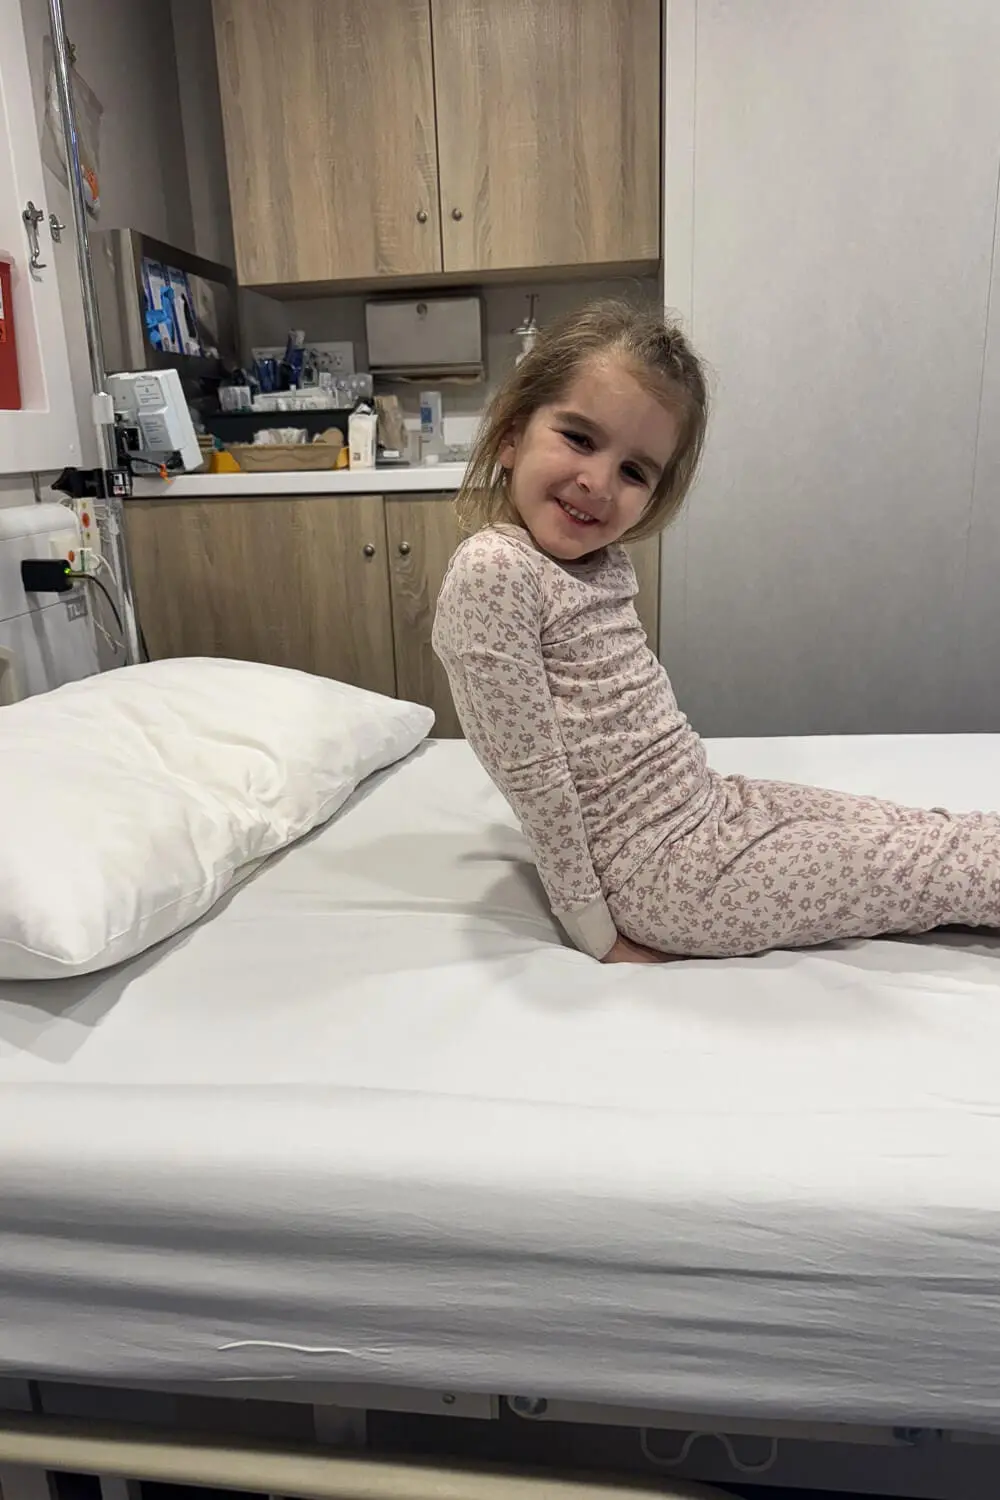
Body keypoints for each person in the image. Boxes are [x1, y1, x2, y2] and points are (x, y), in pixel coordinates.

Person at [432, 300, 1000, 964]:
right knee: (927, 870)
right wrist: (596, 934)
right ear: (511, 435)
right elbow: (531, 774)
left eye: (635, 470)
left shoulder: (598, 563)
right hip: (667, 880)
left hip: (707, 808)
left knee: (910, 829)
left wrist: (717, 806)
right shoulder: (494, 571)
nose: (597, 482)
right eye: (580, 438)